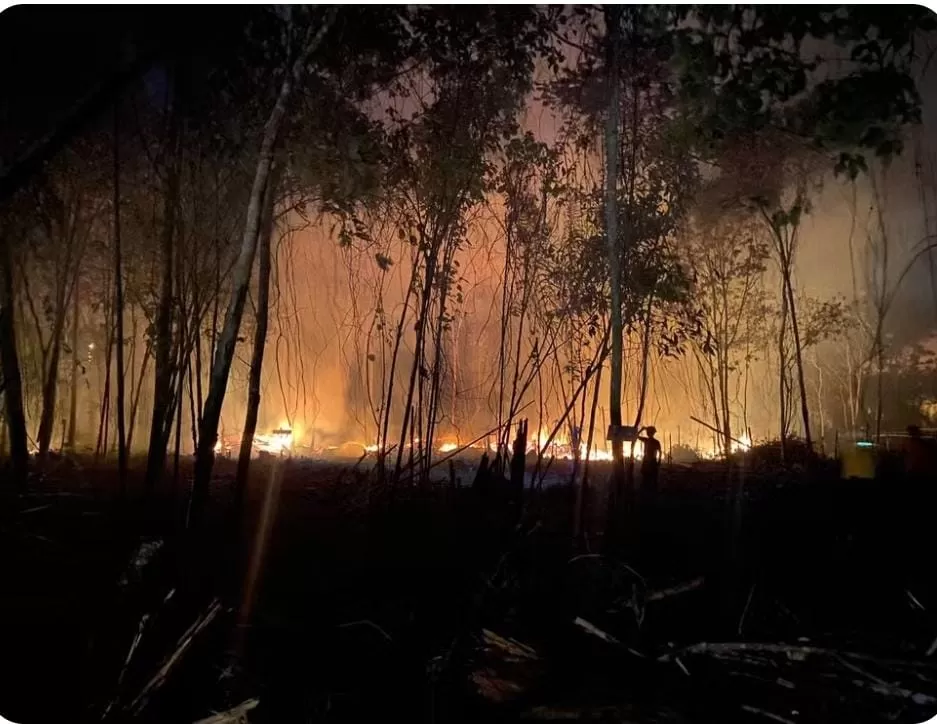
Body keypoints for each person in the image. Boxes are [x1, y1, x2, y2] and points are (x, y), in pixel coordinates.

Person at [638, 425, 662, 494]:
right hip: (649, 462)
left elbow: (660, 452)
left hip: (651, 462)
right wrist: (659, 461)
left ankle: (650, 494)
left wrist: (642, 430)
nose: (648, 433)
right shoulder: (650, 441)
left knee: (650, 479)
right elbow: (636, 436)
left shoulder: (649, 441)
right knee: (648, 479)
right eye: (648, 432)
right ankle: (649, 493)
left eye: (648, 432)